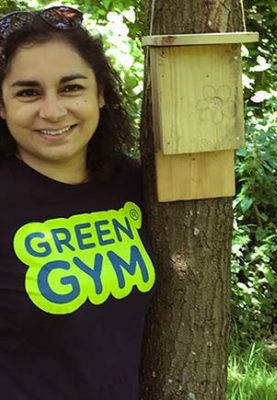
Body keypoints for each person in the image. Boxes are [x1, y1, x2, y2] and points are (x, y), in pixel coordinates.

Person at [0, 6, 155, 400]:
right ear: (2, 106)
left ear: (100, 93)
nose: (52, 111)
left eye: (71, 87)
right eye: (28, 92)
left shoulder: (135, 183)